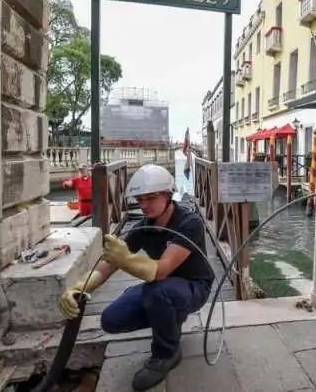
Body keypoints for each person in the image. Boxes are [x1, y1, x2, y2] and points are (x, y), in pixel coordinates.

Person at [57, 164, 213, 391]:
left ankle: (166, 354)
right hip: (161, 287)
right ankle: (169, 319)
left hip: (194, 286)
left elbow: (162, 270)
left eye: (151, 197)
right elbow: (106, 266)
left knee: (158, 292)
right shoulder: (142, 228)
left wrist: (126, 259)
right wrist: (80, 287)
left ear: (168, 195)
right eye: (140, 199)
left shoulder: (189, 223)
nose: (144, 205)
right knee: (111, 319)